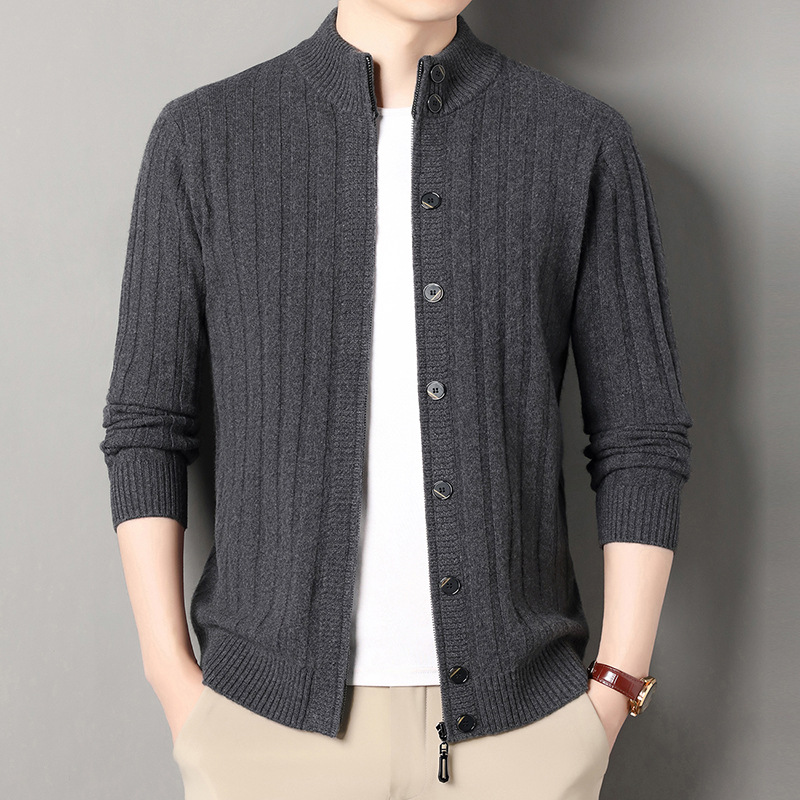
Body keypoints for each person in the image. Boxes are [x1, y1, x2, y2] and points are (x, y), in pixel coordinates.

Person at [99, 1, 693, 798]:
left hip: (524, 734)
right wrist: (172, 678)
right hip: (264, 734)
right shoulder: (206, 137)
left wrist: (615, 689)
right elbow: (146, 427)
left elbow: (642, 435)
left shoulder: (577, 140)